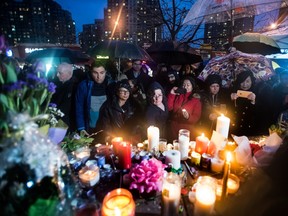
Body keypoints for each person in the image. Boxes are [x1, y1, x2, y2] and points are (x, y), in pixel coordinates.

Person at [75, 60, 114, 136]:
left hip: (107, 127)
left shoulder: (111, 85)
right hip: (90, 127)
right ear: (90, 72)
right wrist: (81, 127)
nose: (98, 76)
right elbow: (79, 107)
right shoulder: (84, 86)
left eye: (101, 73)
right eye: (95, 73)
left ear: (105, 72)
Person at [229, 70, 273, 136]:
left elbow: (260, 115)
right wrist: (230, 100)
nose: (244, 84)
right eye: (242, 81)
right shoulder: (232, 92)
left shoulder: (256, 93)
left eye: (247, 81)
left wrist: (253, 102)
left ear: (252, 82)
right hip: (233, 130)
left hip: (249, 131)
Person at [167, 76, 202, 141]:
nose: (185, 87)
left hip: (186, 130)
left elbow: (196, 117)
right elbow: (169, 107)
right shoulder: (178, 95)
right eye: (184, 85)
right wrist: (172, 94)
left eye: (188, 85)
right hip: (174, 128)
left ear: (192, 86)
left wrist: (188, 117)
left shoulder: (196, 100)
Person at [50, 62, 78, 132]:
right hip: (58, 120)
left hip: (65, 122)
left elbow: (65, 107)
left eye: (60, 73)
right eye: (57, 72)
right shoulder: (59, 84)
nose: (57, 75)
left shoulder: (73, 87)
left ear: (69, 73)